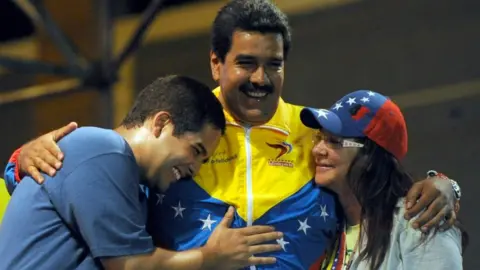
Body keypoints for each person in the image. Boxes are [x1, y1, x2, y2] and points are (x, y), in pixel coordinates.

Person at [3, 1, 461, 269]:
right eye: (246, 63)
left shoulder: (316, 134)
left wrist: (443, 184)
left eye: (274, 65)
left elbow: (379, 177)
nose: (260, 78)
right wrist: (22, 157)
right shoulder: (180, 129)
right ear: (216, 64)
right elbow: (96, 169)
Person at [0, 75, 283, 270]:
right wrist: (211, 257)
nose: (194, 170)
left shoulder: (134, 189)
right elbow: (130, 265)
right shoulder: (103, 149)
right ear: (161, 123)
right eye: (196, 151)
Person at [300, 90, 466, 270]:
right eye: (319, 138)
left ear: (371, 157)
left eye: (334, 141)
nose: (317, 150)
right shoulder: (326, 227)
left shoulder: (422, 219)